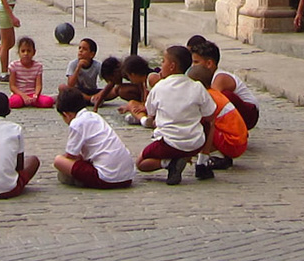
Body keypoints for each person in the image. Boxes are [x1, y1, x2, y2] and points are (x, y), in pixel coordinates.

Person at [135, 44, 216, 184]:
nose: (161, 65)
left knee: (141, 163)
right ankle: (202, 162)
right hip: (194, 143)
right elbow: (210, 115)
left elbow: (151, 113)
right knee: (209, 123)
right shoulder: (197, 86)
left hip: (168, 143)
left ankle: (168, 163)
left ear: (172, 66)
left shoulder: (159, 87)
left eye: (163, 61)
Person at [53, 87, 135, 189]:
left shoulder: (76, 123)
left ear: (66, 115)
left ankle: (82, 181)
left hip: (107, 178)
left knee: (58, 161)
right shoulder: (95, 116)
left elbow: (71, 155)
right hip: (127, 177)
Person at [189, 40, 258, 130]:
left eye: (196, 62)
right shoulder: (206, 76)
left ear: (209, 63)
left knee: (223, 96)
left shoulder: (220, 78)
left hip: (249, 114)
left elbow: (211, 101)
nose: (193, 66)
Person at [7, 37, 53, 109]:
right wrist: (23, 96)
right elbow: (12, 86)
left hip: (32, 94)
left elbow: (38, 85)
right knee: (13, 102)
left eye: (29, 51)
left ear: (34, 52)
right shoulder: (14, 65)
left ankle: (30, 101)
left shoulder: (38, 66)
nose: (26, 54)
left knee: (48, 101)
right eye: (23, 51)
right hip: (19, 95)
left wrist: (36, 95)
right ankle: (24, 101)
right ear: (18, 52)